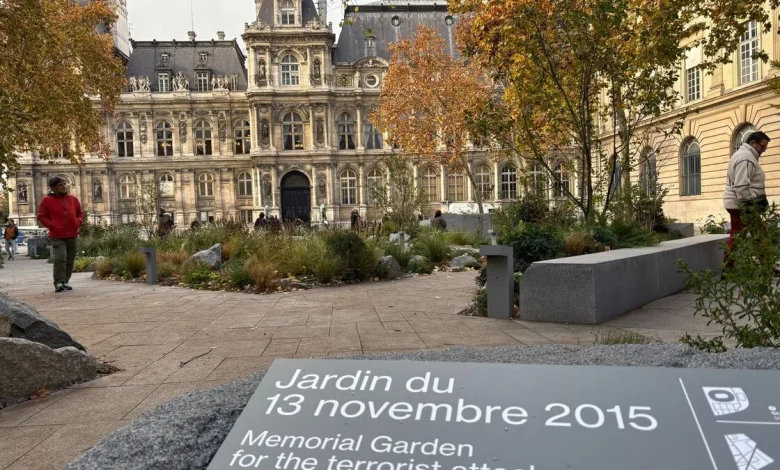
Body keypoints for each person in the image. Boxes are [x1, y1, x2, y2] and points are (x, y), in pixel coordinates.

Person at [723, 131, 770, 269]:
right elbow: (741, 187)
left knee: (755, 234)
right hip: (742, 205)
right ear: (753, 143)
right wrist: (755, 203)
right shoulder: (746, 158)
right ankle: (728, 269)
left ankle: (765, 265)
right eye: (762, 146)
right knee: (750, 235)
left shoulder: (744, 156)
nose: (764, 150)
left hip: (739, 204)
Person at [37, 176, 83, 292]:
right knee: (61, 258)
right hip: (57, 235)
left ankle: (65, 281)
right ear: (53, 188)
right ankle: (58, 282)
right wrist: (52, 225)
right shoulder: (47, 200)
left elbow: (80, 213)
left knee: (70, 260)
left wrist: (78, 222)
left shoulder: (73, 199)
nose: (64, 186)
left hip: (72, 234)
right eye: (60, 185)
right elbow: (41, 216)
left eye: (64, 184)